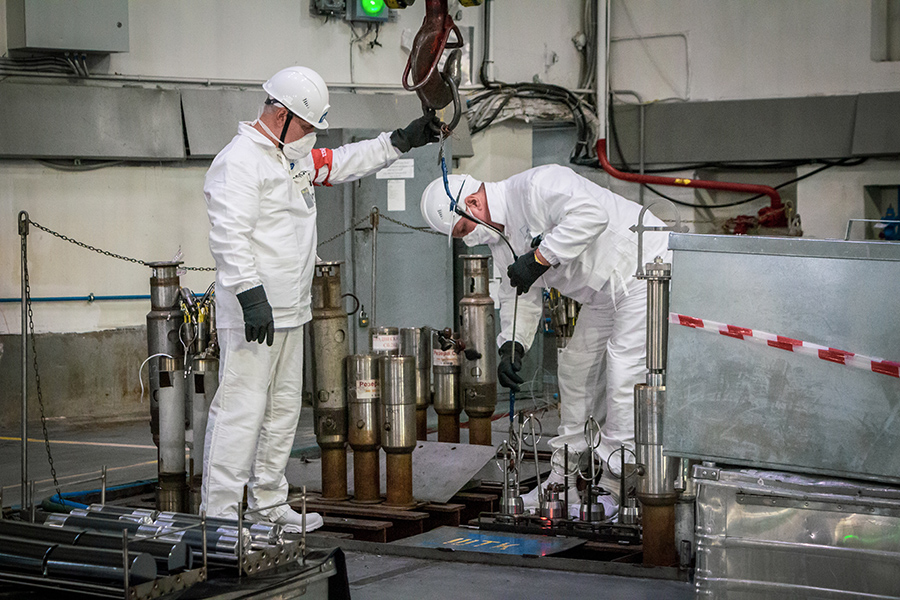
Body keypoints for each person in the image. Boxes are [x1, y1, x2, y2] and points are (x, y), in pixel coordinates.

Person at [203, 65, 440, 532]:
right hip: (254, 314)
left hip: (291, 311)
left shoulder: (291, 157)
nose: (312, 136)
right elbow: (229, 235)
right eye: (307, 126)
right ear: (281, 115)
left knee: (282, 412)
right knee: (240, 412)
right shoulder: (240, 162)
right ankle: (219, 519)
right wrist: (250, 294)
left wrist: (399, 141)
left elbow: (345, 161)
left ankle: (268, 503)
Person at [420, 166, 670, 517]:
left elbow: (591, 215)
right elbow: (518, 292)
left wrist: (540, 258)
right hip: (602, 293)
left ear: (473, 202)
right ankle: (563, 478)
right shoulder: (499, 239)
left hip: (643, 270)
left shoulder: (537, 185)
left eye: (464, 229)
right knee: (576, 369)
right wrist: (512, 345)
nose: (467, 238)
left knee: (623, 371)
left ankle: (617, 479)